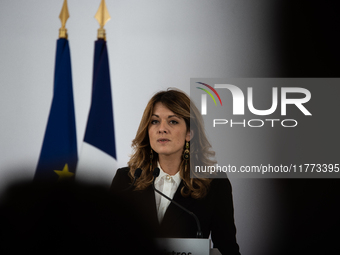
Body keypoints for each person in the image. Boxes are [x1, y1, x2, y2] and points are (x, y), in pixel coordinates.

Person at [110, 88, 240, 255]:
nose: (161, 129)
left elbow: (228, 249)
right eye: (155, 121)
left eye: (173, 121)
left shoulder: (214, 183)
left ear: (189, 133)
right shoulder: (126, 180)